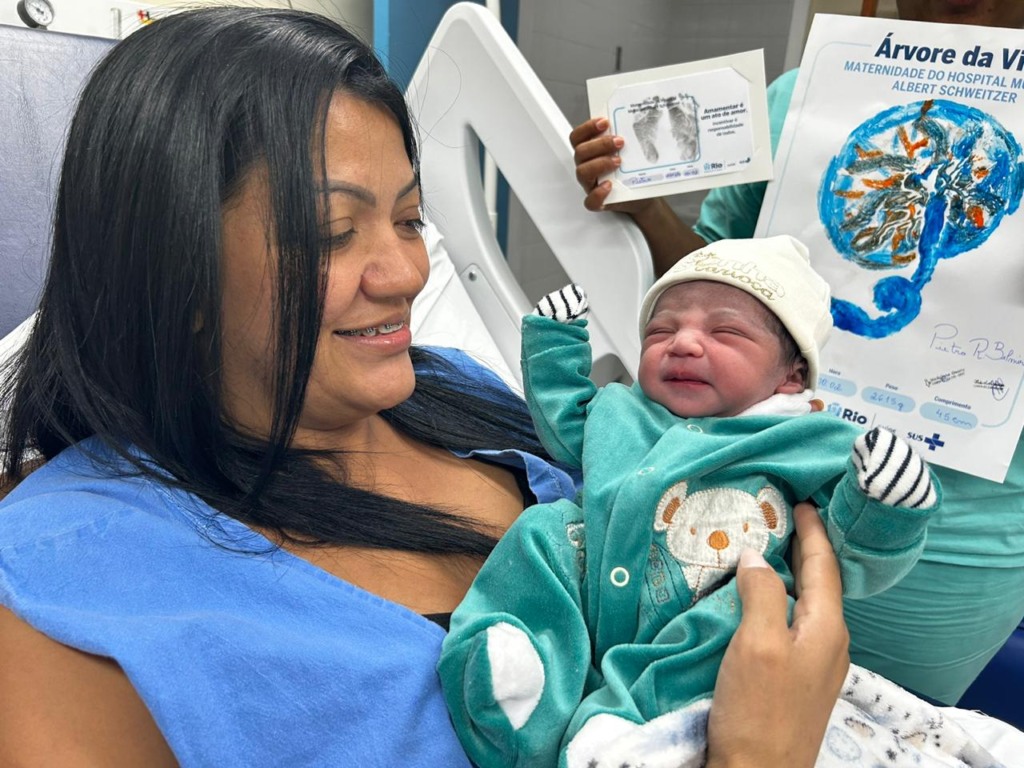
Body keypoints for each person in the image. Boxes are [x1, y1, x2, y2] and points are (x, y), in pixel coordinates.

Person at [0, 7, 852, 766]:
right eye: (335, 232)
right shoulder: (58, 600)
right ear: (171, 276)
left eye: (411, 219)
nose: (407, 271)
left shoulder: (452, 393)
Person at [570, 0, 1024, 704]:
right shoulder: (803, 97)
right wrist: (643, 207)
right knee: (670, 706)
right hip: (738, 483)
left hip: (956, 541)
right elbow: (717, 282)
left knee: (887, 731)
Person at [438, 235, 962, 767]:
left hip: (701, 609)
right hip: (588, 577)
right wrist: (555, 343)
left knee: (749, 610)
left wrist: (886, 507)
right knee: (542, 531)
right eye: (661, 329)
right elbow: (565, 419)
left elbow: (845, 549)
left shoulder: (807, 439)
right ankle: (525, 684)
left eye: (725, 331)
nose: (683, 343)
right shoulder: (621, 409)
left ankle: (629, 728)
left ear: (791, 376)